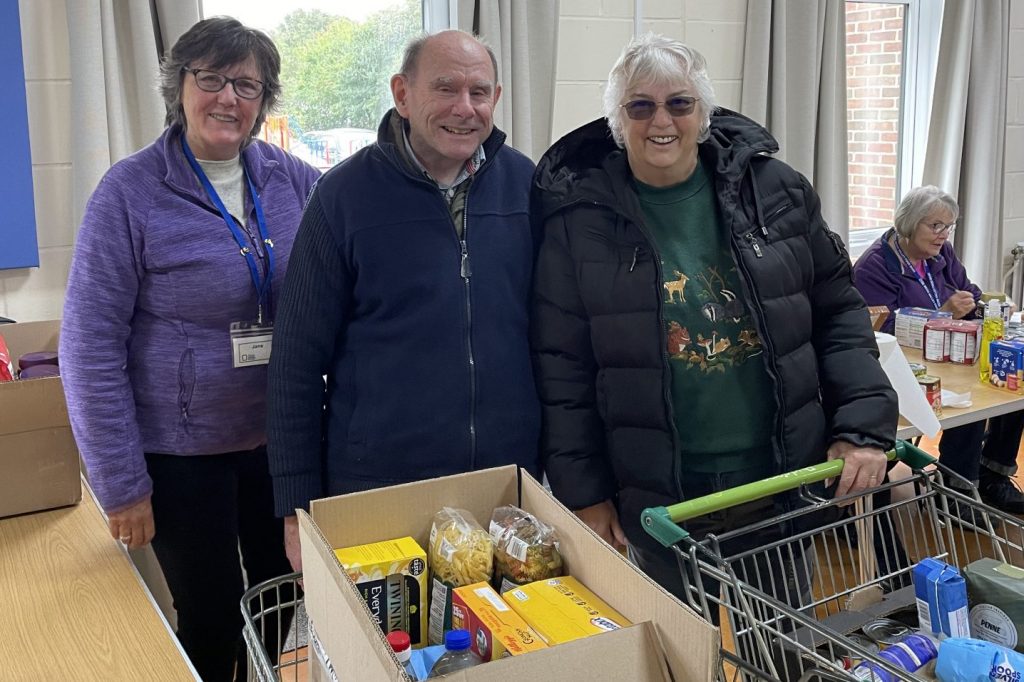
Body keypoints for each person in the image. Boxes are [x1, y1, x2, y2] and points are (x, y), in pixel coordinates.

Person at [530, 33, 898, 611]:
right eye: (640, 105)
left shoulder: (776, 190)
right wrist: (585, 493)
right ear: (616, 119)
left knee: (783, 654)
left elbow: (839, 312)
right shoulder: (578, 223)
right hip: (661, 503)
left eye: (680, 103)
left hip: (777, 481)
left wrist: (861, 425)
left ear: (703, 114)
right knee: (677, 659)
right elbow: (562, 369)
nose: (661, 120)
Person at [59, 17, 320, 681]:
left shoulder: (294, 180)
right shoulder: (129, 192)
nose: (228, 98)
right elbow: (89, 348)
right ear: (180, 86)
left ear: (265, 102)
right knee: (207, 616)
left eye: (247, 84)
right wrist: (121, 486)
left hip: (280, 445)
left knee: (284, 595)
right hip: (181, 457)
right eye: (211, 79)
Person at [266, 30, 540, 572]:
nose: (465, 108)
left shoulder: (526, 187)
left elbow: (556, 340)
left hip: (504, 492)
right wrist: (296, 508)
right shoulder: (342, 197)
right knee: (387, 651)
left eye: (480, 92)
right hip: (379, 494)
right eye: (446, 89)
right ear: (402, 94)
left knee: (502, 649)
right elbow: (296, 362)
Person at [854, 185, 1024, 514]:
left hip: (950, 358)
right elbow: (879, 333)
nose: (943, 235)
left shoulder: (940, 254)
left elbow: (968, 289)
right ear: (909, 223)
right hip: (903, 368)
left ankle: (993, 474)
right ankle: (955, 490)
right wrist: (942, 313)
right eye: (935, 226)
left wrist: (990, 306)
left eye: (948, 226)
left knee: (1012, 385)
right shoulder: (873, 268)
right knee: (970, 399)